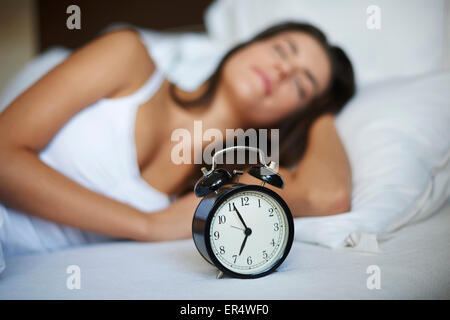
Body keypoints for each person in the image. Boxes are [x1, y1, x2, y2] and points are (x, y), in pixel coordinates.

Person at [0, 21, 355, 257]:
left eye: (300, 84)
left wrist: (322, 111)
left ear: (295, 116)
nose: (283, 69)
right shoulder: (127, 58)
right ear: (248, 45)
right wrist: (146, 225)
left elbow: (328, 196)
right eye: (281, 50)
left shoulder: (229, 183)